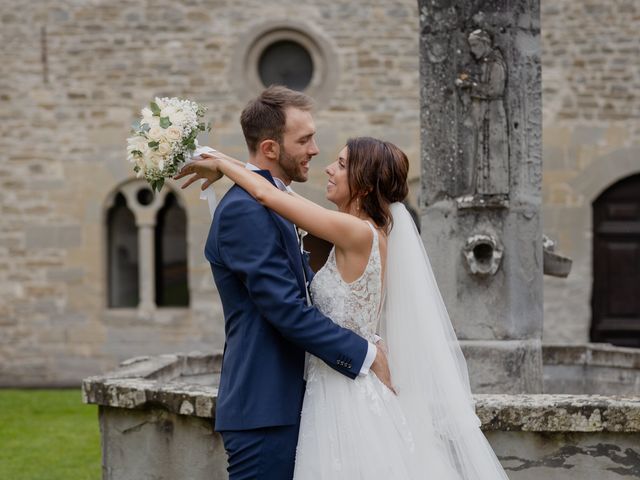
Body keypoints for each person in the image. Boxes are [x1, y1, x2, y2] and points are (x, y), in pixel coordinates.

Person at [177, 132, 511, 479]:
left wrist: (219, 164)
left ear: (364, 186)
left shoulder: (356, 232)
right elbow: (279, 190)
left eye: (341, 165)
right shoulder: (362, 230)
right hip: (335, 383)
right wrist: (220, 159)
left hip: (343, 395)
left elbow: (266, 193)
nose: (329, 170)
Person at [175, 86, 393, 480]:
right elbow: (286, 310)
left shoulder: (273, 200)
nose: (315, 151)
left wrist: (222, 161)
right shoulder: (246, 209)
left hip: (297, 402)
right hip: (265, 408)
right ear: (272, 148)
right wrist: (364, 354)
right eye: (305, 139)